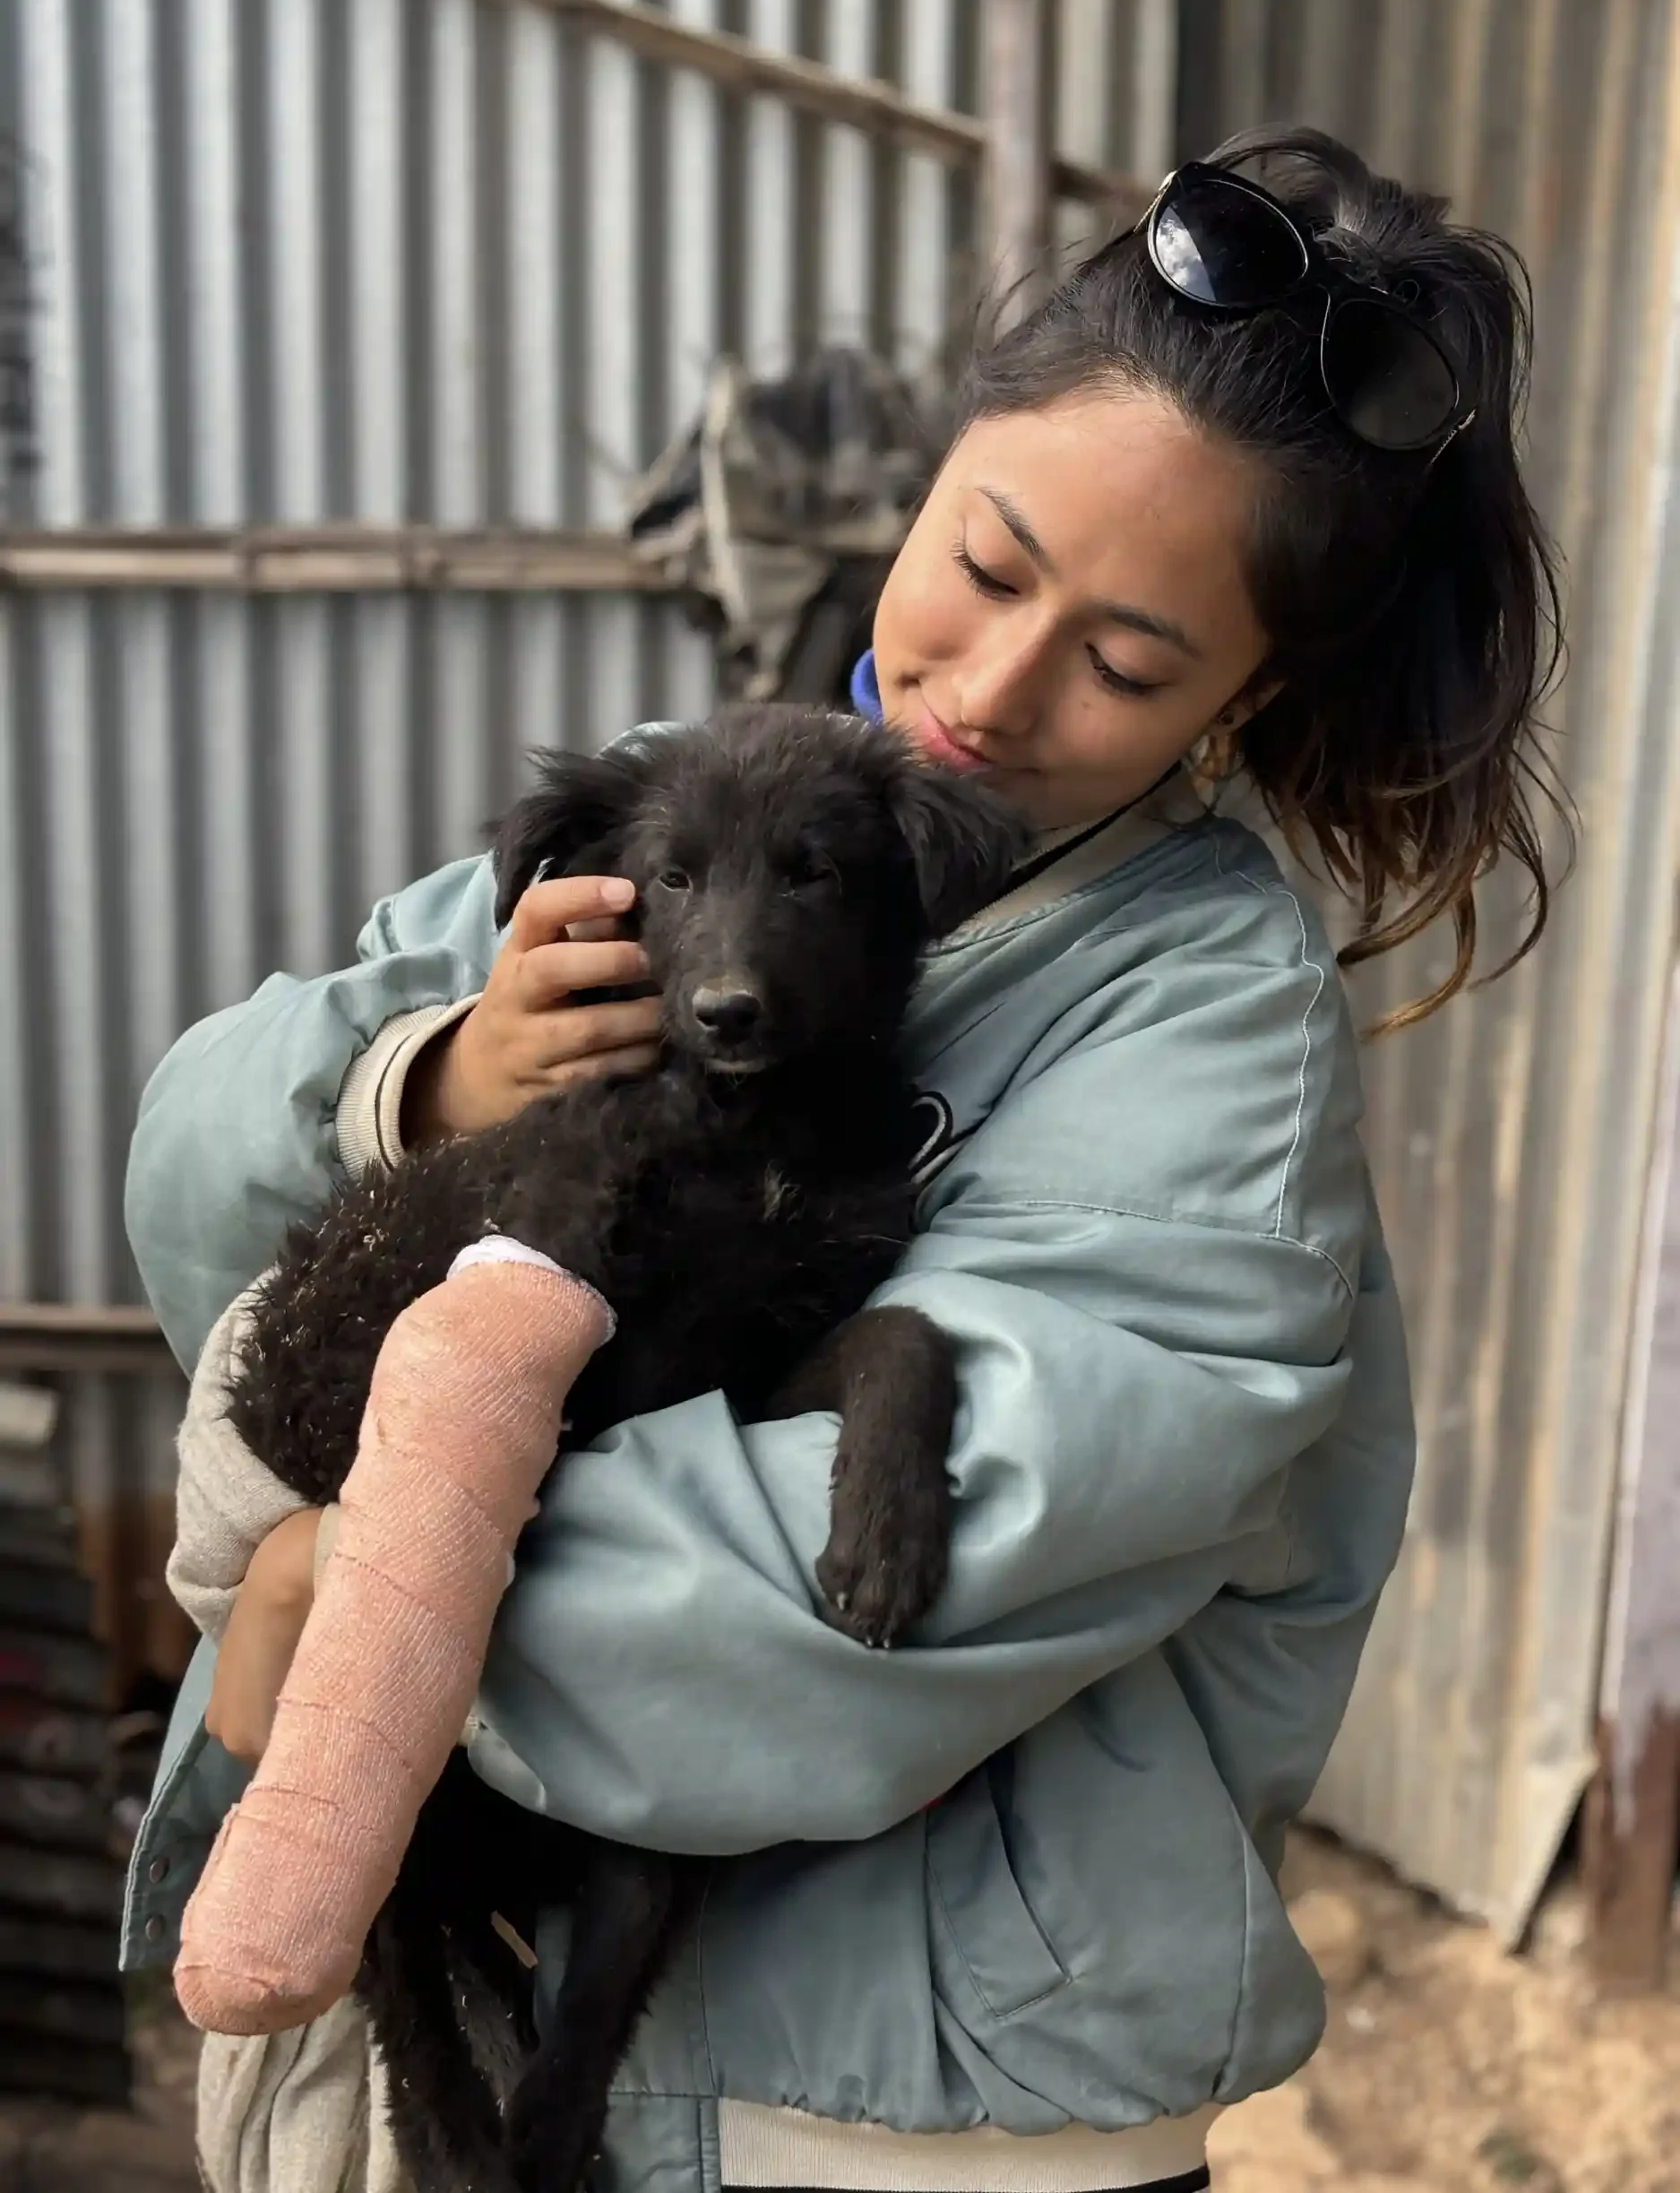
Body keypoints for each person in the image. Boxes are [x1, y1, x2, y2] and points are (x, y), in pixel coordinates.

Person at [124, 126, 1563, 2193]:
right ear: (935, 466)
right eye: (984, 562)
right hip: (463, 2009)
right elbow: (194, 1178)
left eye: (1128, 661)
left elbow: (896, 1569)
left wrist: (338, 1607)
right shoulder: (693, 821)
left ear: (1248, 694)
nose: (987, 686)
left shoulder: (1202, 1030)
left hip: (886, 2116)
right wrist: (432, 1078)